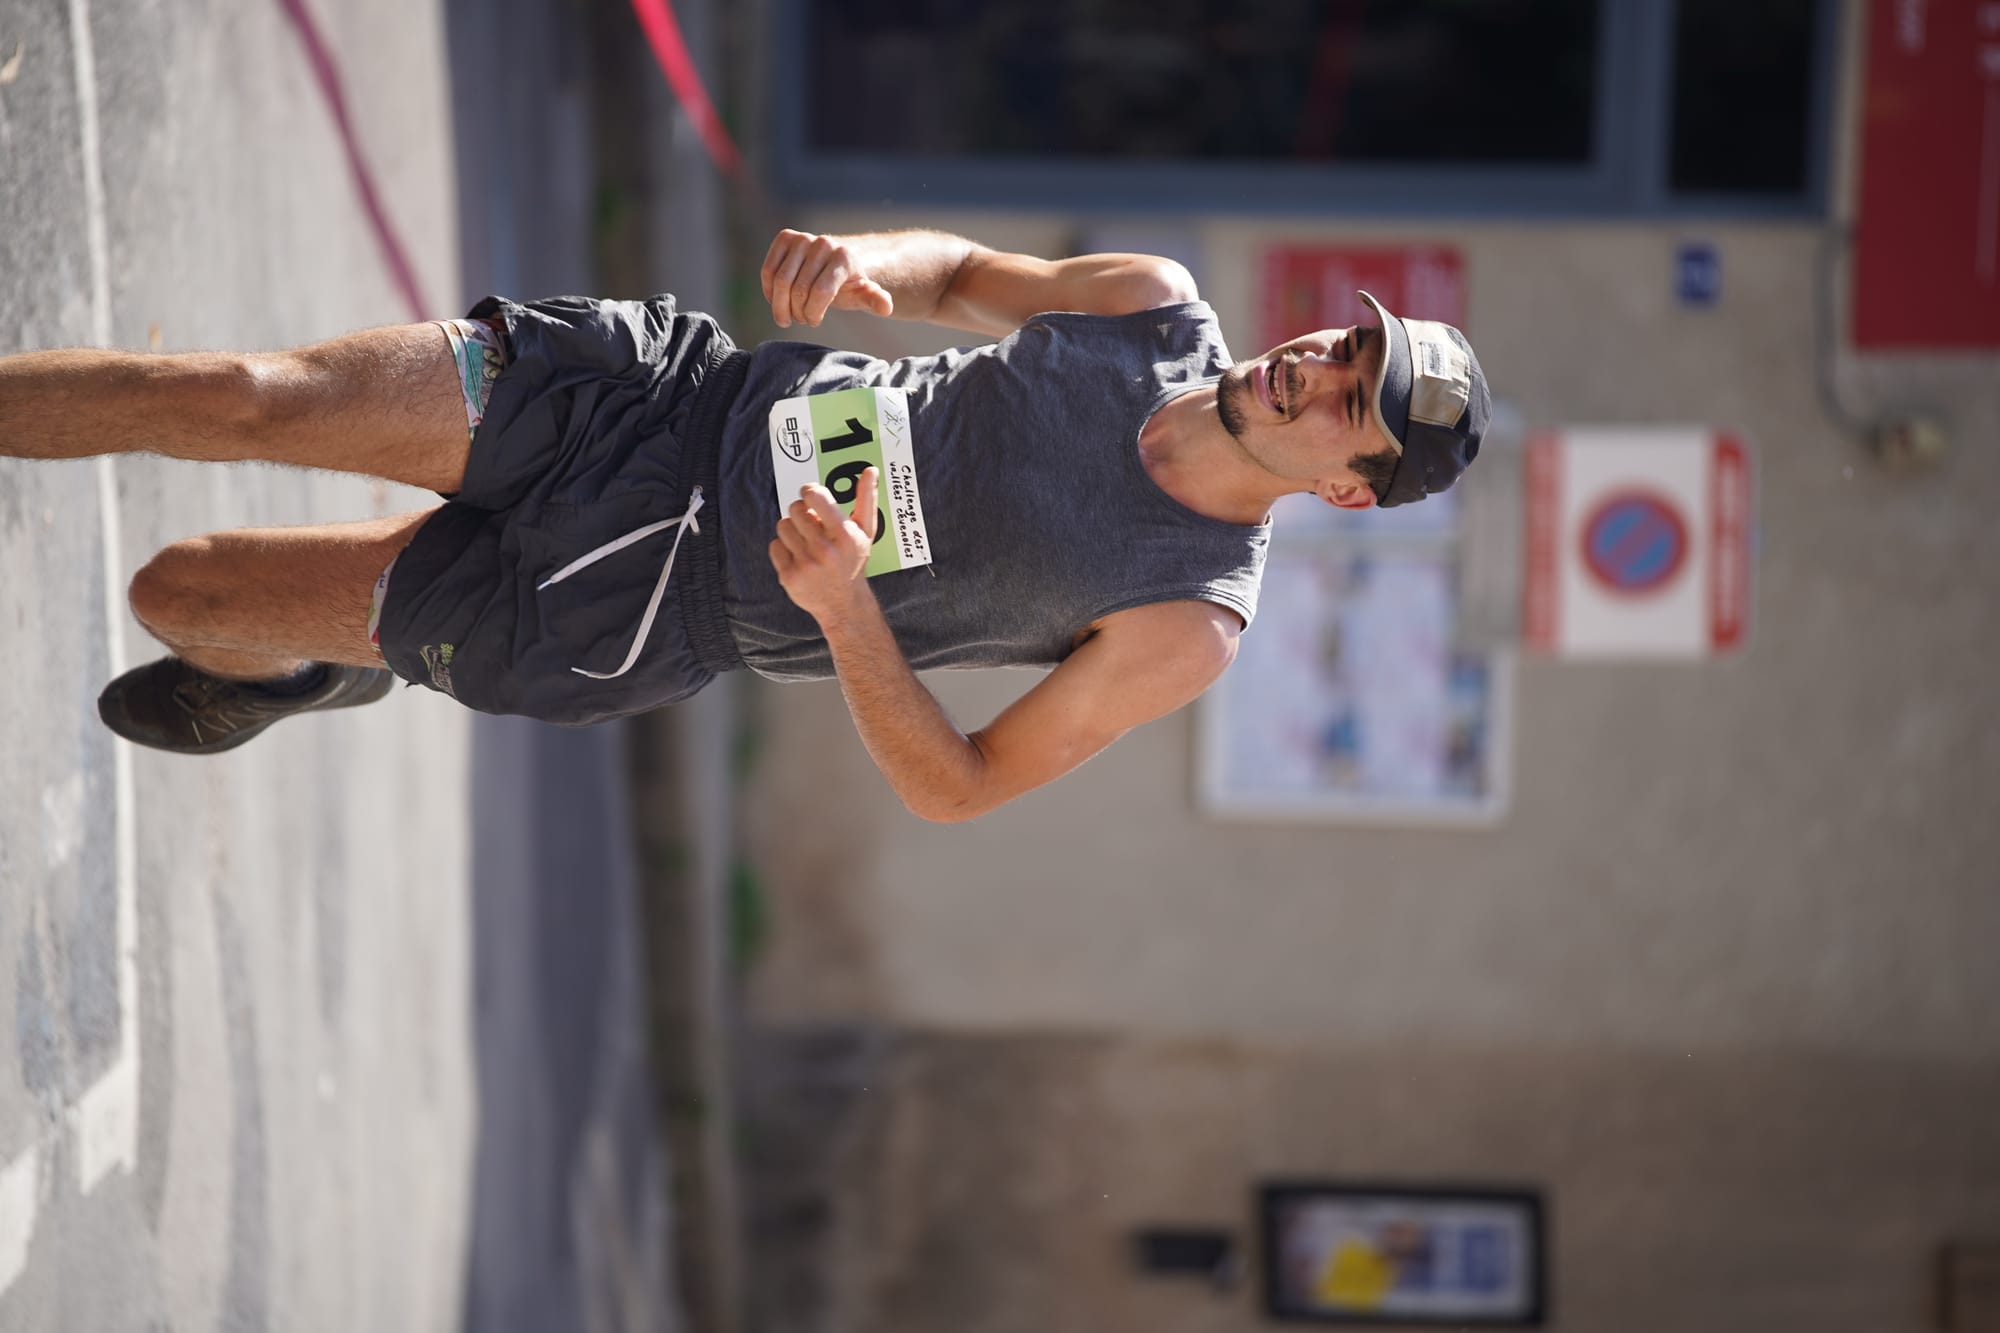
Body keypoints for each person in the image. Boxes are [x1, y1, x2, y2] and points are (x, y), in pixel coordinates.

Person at [0, 228, 1488, 821]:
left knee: (177, 587)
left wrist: (846, 610)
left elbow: (961, 786)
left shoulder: (1188, 619)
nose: (1315, 369)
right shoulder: (1151, 305)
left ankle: (301, 668)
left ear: (1348, 488)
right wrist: (868, 263)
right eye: (1344, 350)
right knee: (248, 395)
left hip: (651, 603)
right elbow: (966, 270)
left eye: (1348, 402)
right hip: (658, 400)